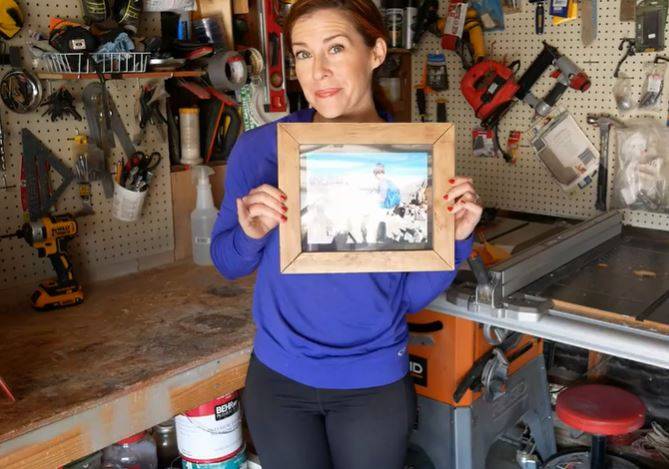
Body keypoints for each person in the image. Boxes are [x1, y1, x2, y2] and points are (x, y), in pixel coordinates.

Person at [209, 0, 483, 467]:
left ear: (376, 52)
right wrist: (252, 233)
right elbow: (227, 261)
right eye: (302, 54)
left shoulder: (415, 159)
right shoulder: (262, 151)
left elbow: (408, 297)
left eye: (335, 48)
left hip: (373, 386)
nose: (318, 71)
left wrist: (455, 240)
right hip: (279, 382)